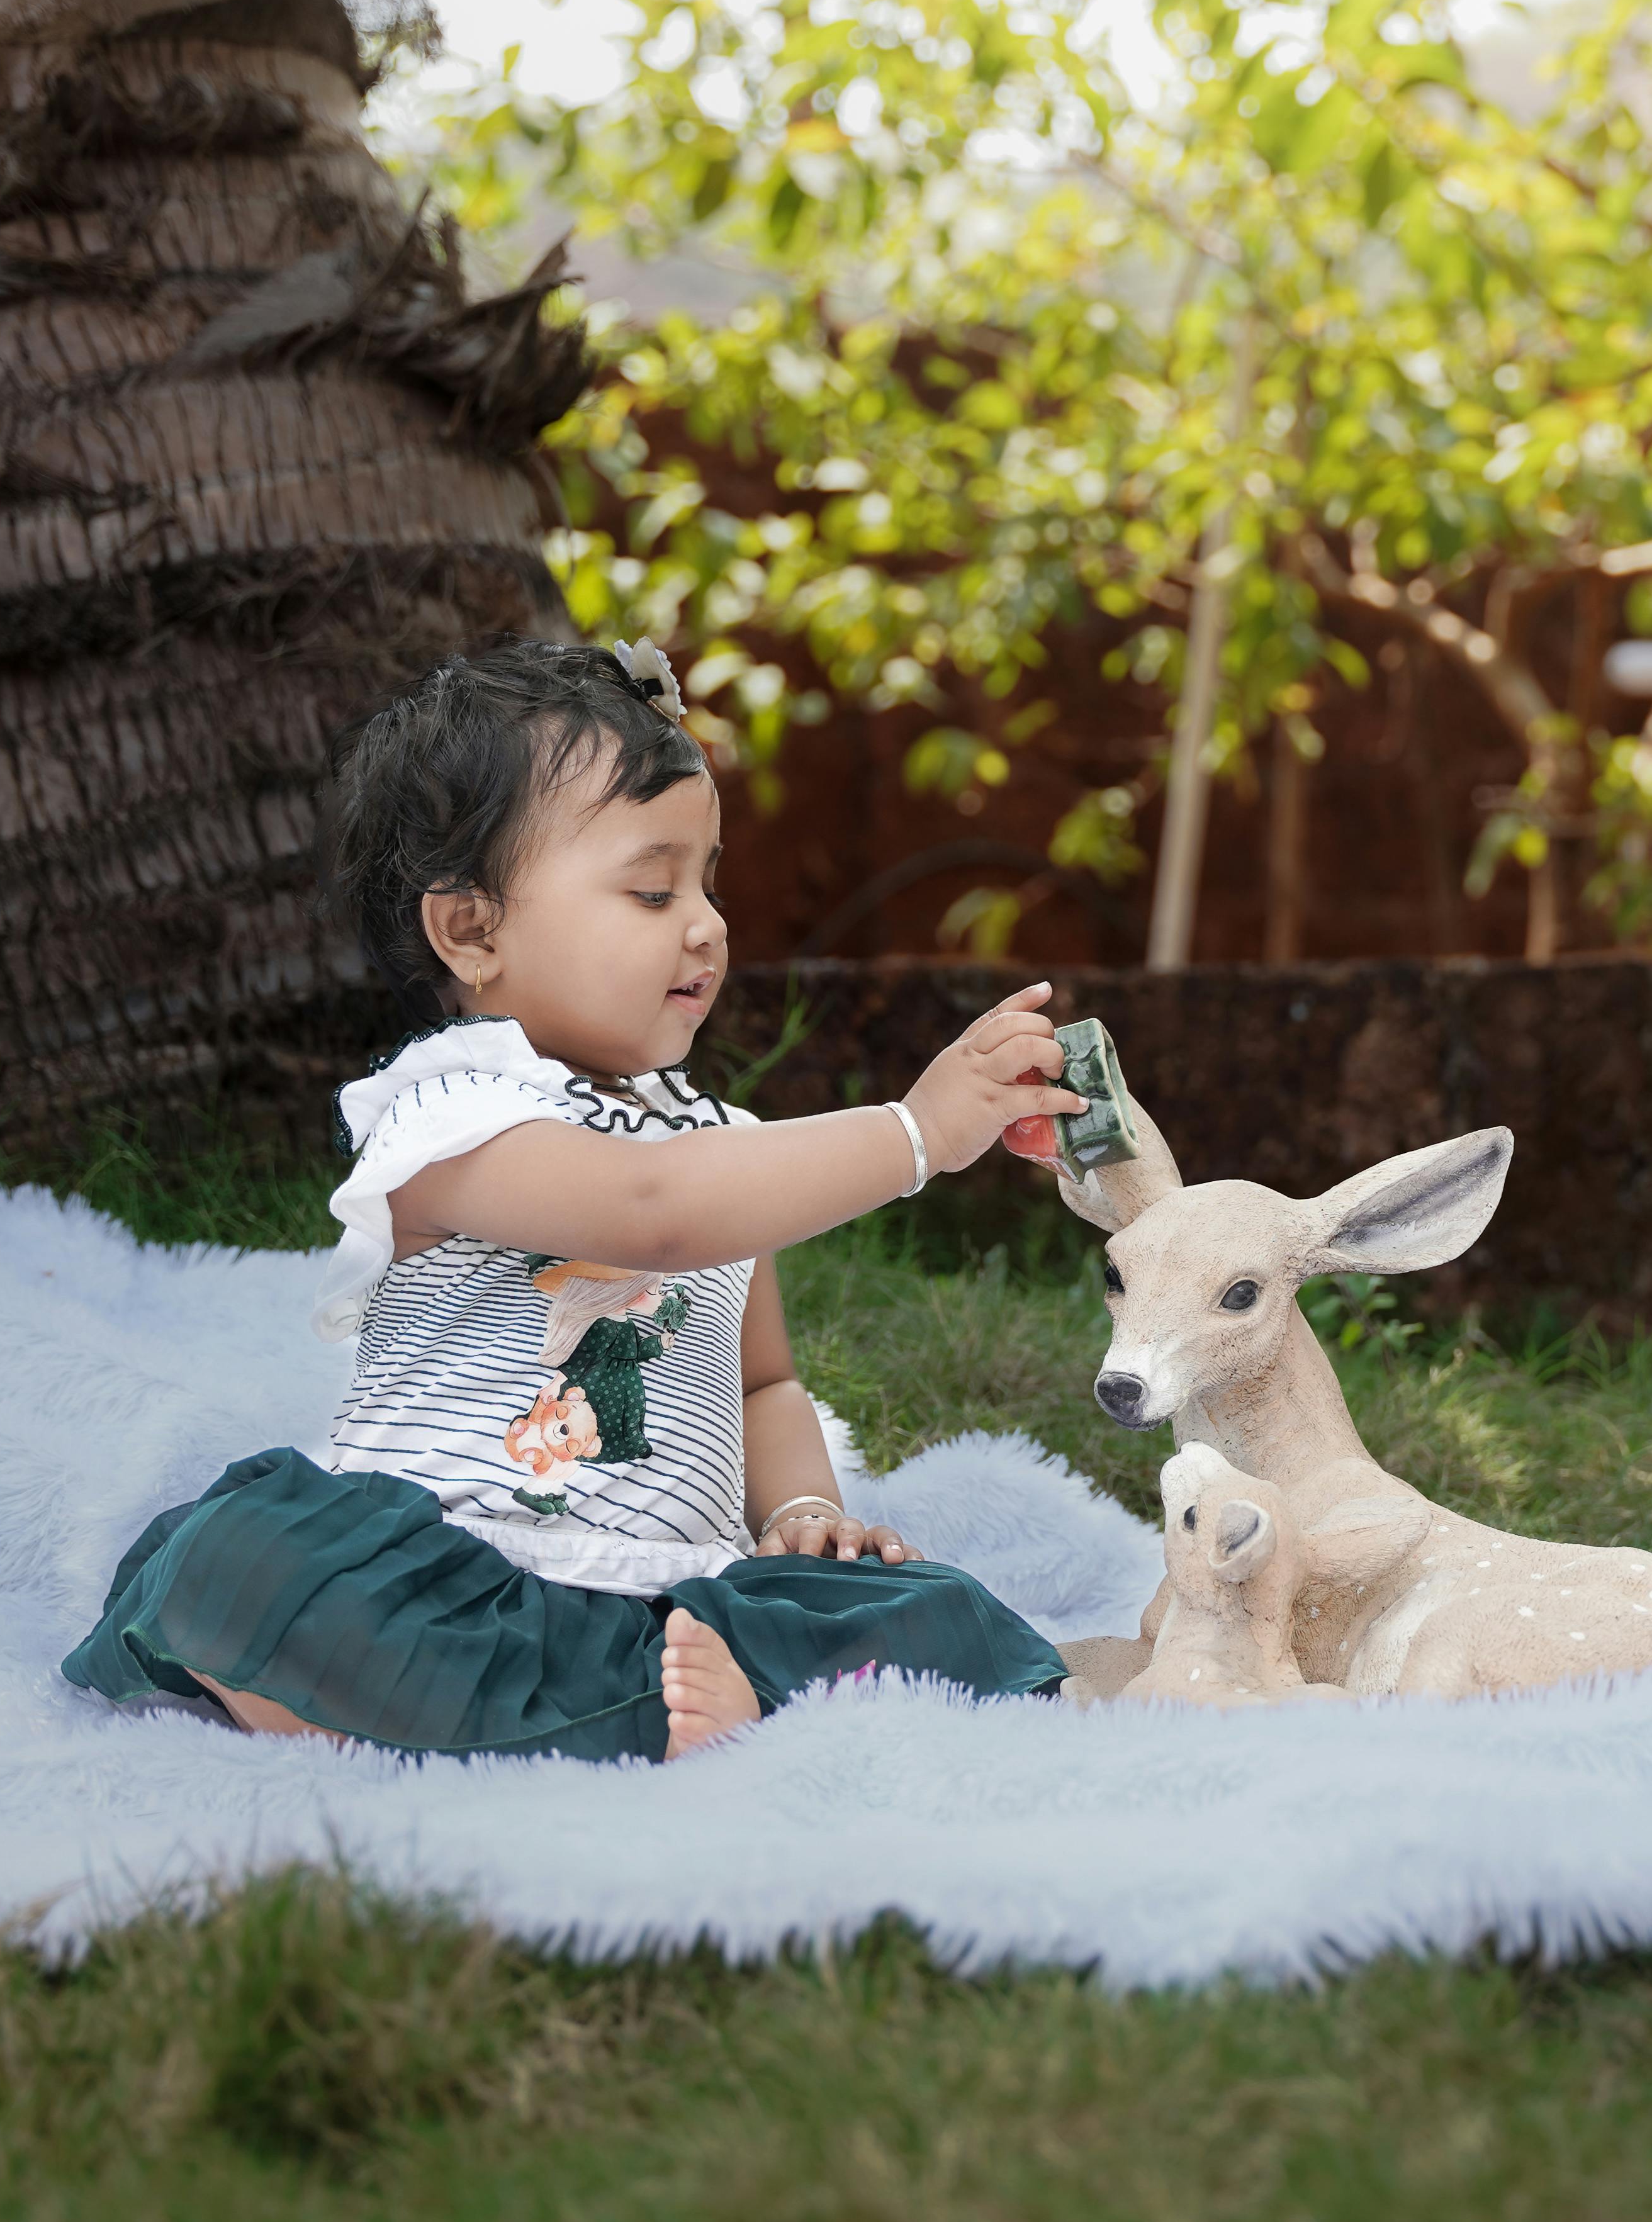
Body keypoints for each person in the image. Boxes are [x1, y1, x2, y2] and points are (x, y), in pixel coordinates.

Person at [62, 637, 1081, 1759]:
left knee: (929, 1611)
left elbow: (766, 1381)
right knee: (246, 1554)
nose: (706, 924)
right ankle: (387, 1694)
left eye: (707, 881)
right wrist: (917, 1134)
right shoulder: (448, 1114)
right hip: (446, 1570)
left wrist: (797, 1515)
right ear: (474, 931)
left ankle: (653, 1704)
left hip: (657, 1605)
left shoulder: (720, 1152)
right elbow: (646, 1209)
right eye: (652, 889)